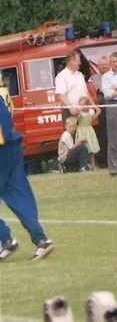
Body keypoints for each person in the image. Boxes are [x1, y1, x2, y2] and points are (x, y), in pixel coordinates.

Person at [0, 98, 55, 261]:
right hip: (12, 147)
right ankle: (41, 239)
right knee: (19, 195)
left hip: (2, 150)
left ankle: (5, 239)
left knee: (18, 194)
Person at [55, 50, 89, 128]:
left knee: (83, 134)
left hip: (83, 109)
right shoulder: (62, 76)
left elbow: (85, 91)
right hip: (71, 111)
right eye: (78, 61)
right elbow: (61, 94)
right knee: (72, 136)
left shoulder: (80, 75)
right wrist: (71, 108)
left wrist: (92, 105)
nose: (80, 63)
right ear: (72, 61)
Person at [76, 97, 101, 170]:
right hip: (81, 130)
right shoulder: (80, 113)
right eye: (81, 105)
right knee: (85, 147)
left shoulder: (91, 112)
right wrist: (78, 111)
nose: (82, 106)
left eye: (84, 105)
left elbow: (91, 119)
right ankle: (85, 164)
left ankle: (93, 164)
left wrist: (97, 113)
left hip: (89, 130)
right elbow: (76, 119)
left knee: (91, 148)